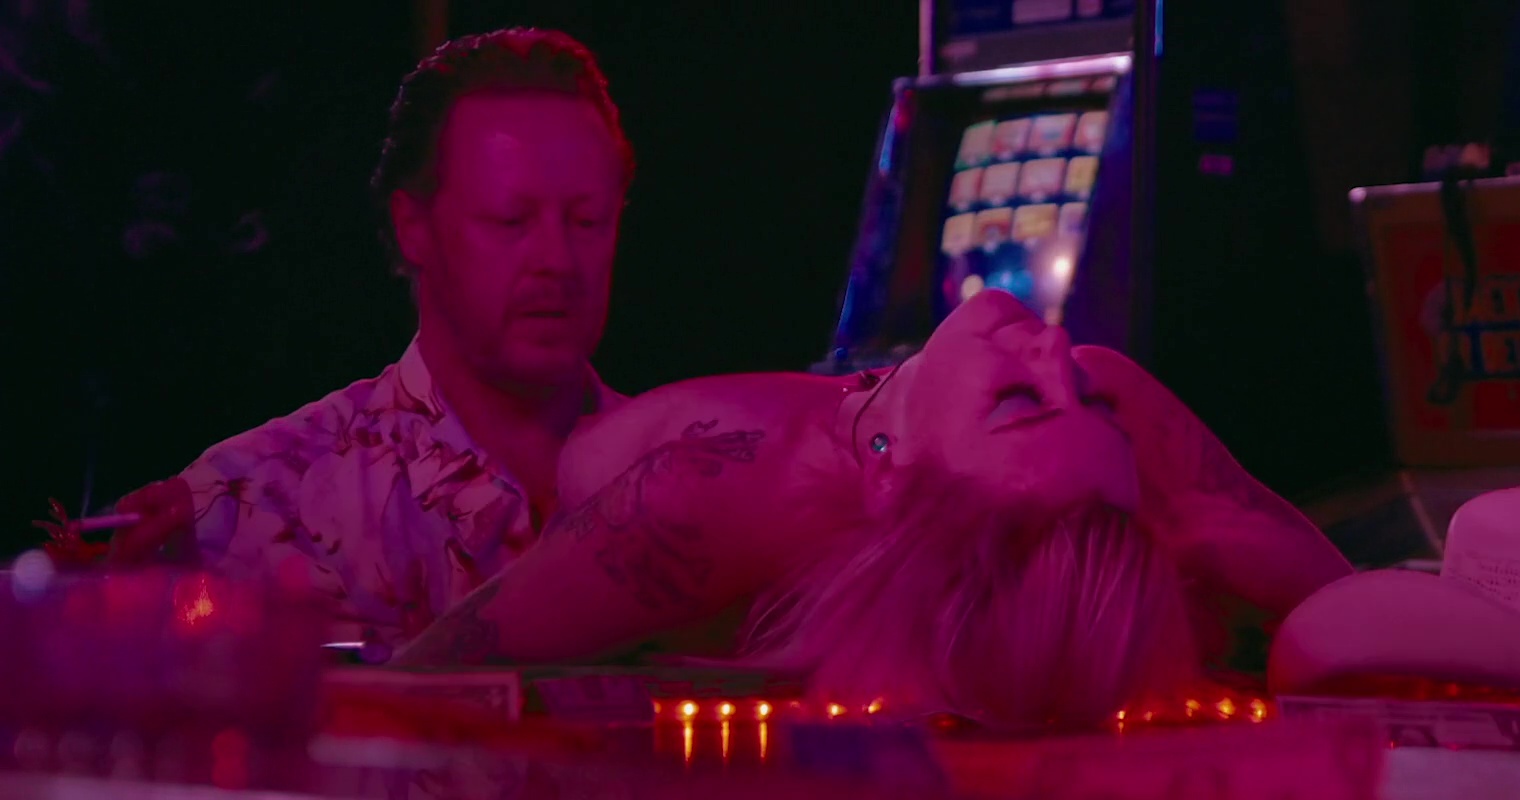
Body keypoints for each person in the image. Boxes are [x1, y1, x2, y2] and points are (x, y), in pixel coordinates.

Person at [394, 290, 1352, 728]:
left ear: (891, 474)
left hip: (469, 506)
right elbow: (1358, 602)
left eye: (1019, 400)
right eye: (1087, 403)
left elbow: (420, 682)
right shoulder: (1117, 419)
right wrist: (1198, 533)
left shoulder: (717, 500)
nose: (1060, 354)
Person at [102, 28, 636, 649]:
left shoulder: (700, 481)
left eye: (587, 221)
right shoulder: (246, 513)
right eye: (510, 220)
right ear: (414, 227)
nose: (558, 261)